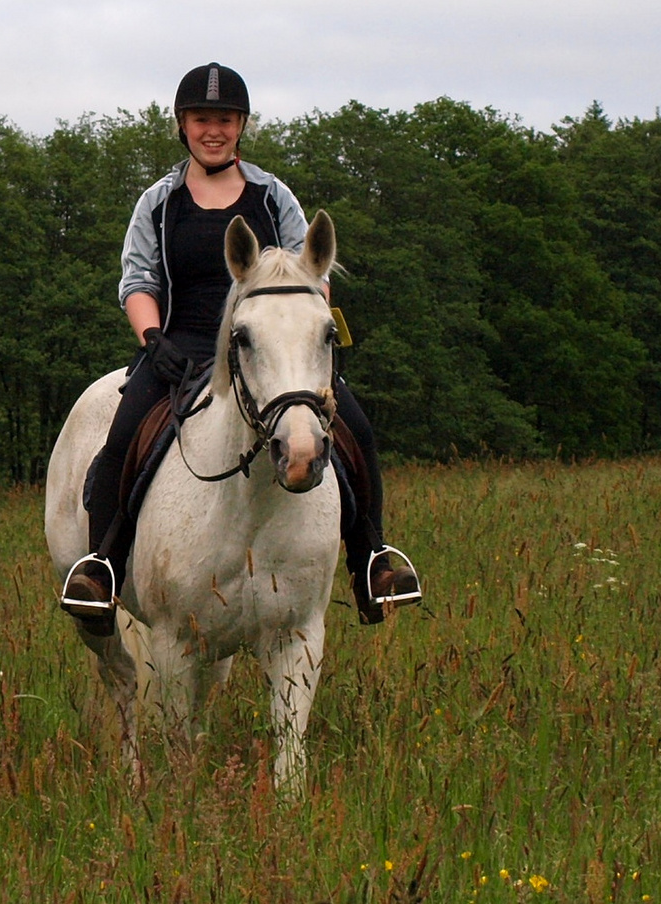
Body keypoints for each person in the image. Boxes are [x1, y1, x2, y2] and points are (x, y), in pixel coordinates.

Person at [59, 63, 420, 631]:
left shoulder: (272, 196)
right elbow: (137, 281)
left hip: (269, 356)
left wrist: (299, 326)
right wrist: (153, 341)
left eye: (224, 119)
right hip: (180, 349)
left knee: (357, 431)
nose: (213, 130)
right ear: (183, 125)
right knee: (123, 436)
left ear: (241, 125)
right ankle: (103, 563)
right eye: (202, 119)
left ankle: (371, 559)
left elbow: (311, 271)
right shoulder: (160, 201)